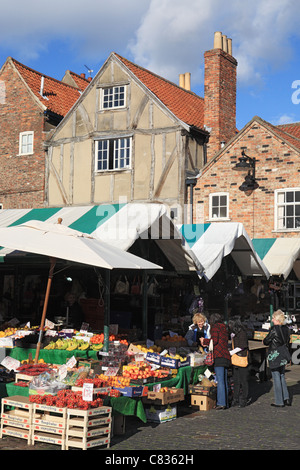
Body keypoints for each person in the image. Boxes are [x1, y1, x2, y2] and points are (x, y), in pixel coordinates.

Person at [201, 313, 231, 409]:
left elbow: (214, 341)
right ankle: (225, 402)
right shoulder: (225, 328)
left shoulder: (215, 327)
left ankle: (221, 403)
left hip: (219, 356)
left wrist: (204, 341)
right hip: (226, 355)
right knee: (224, 380)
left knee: (220, 380)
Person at [263, 309, 291, 407]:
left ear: (277, 319)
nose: (272, 320)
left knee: (276, 376)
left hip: (275, 354)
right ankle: (286, 398)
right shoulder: (286, 329)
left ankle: (279, 401)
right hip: (283, 353)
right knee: (282, 375)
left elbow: (267, 340)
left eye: (273, 318)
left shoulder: (274, 329)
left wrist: (264, 341)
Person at [228, 318, 250, 407]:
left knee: (243, 380)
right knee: (236, 380)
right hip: (236, 358)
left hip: (242, 357)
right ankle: (235, 398)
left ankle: (243, 399)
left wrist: (231, 352)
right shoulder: (235, 333)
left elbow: (242, 346)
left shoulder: (242, 333)